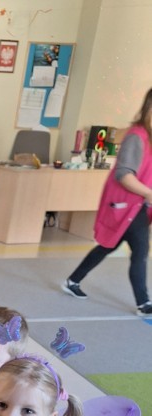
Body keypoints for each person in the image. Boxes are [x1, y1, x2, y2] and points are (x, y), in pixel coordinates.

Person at [63, 87, 152, 317]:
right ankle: (143, 303)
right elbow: (124, 174)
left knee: (110, 246)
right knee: (137, 250)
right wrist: (149, 194)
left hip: (137, 207)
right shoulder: (136, 137)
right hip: (125, 206)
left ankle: (73, 280)